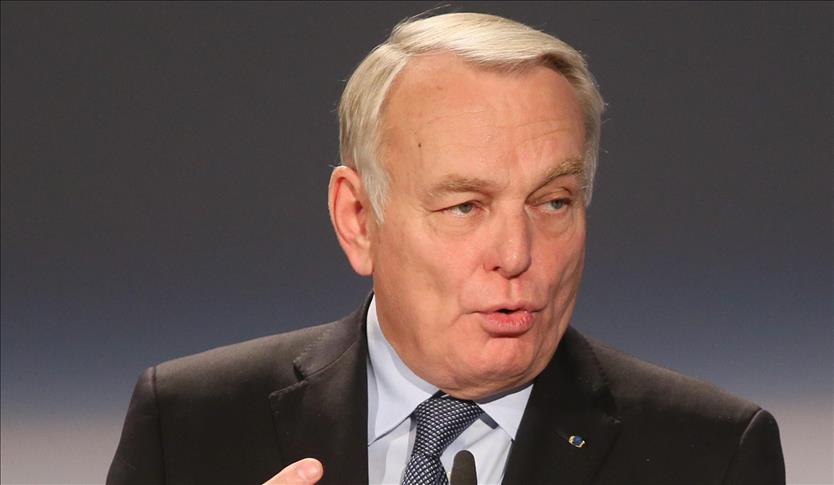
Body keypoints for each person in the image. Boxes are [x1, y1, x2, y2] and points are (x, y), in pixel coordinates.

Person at [107, 12, 785, 485]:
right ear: (358, 219)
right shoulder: (189, 423)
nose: (516, 254)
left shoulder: (713, 454)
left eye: (553, 202)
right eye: (465, 206)